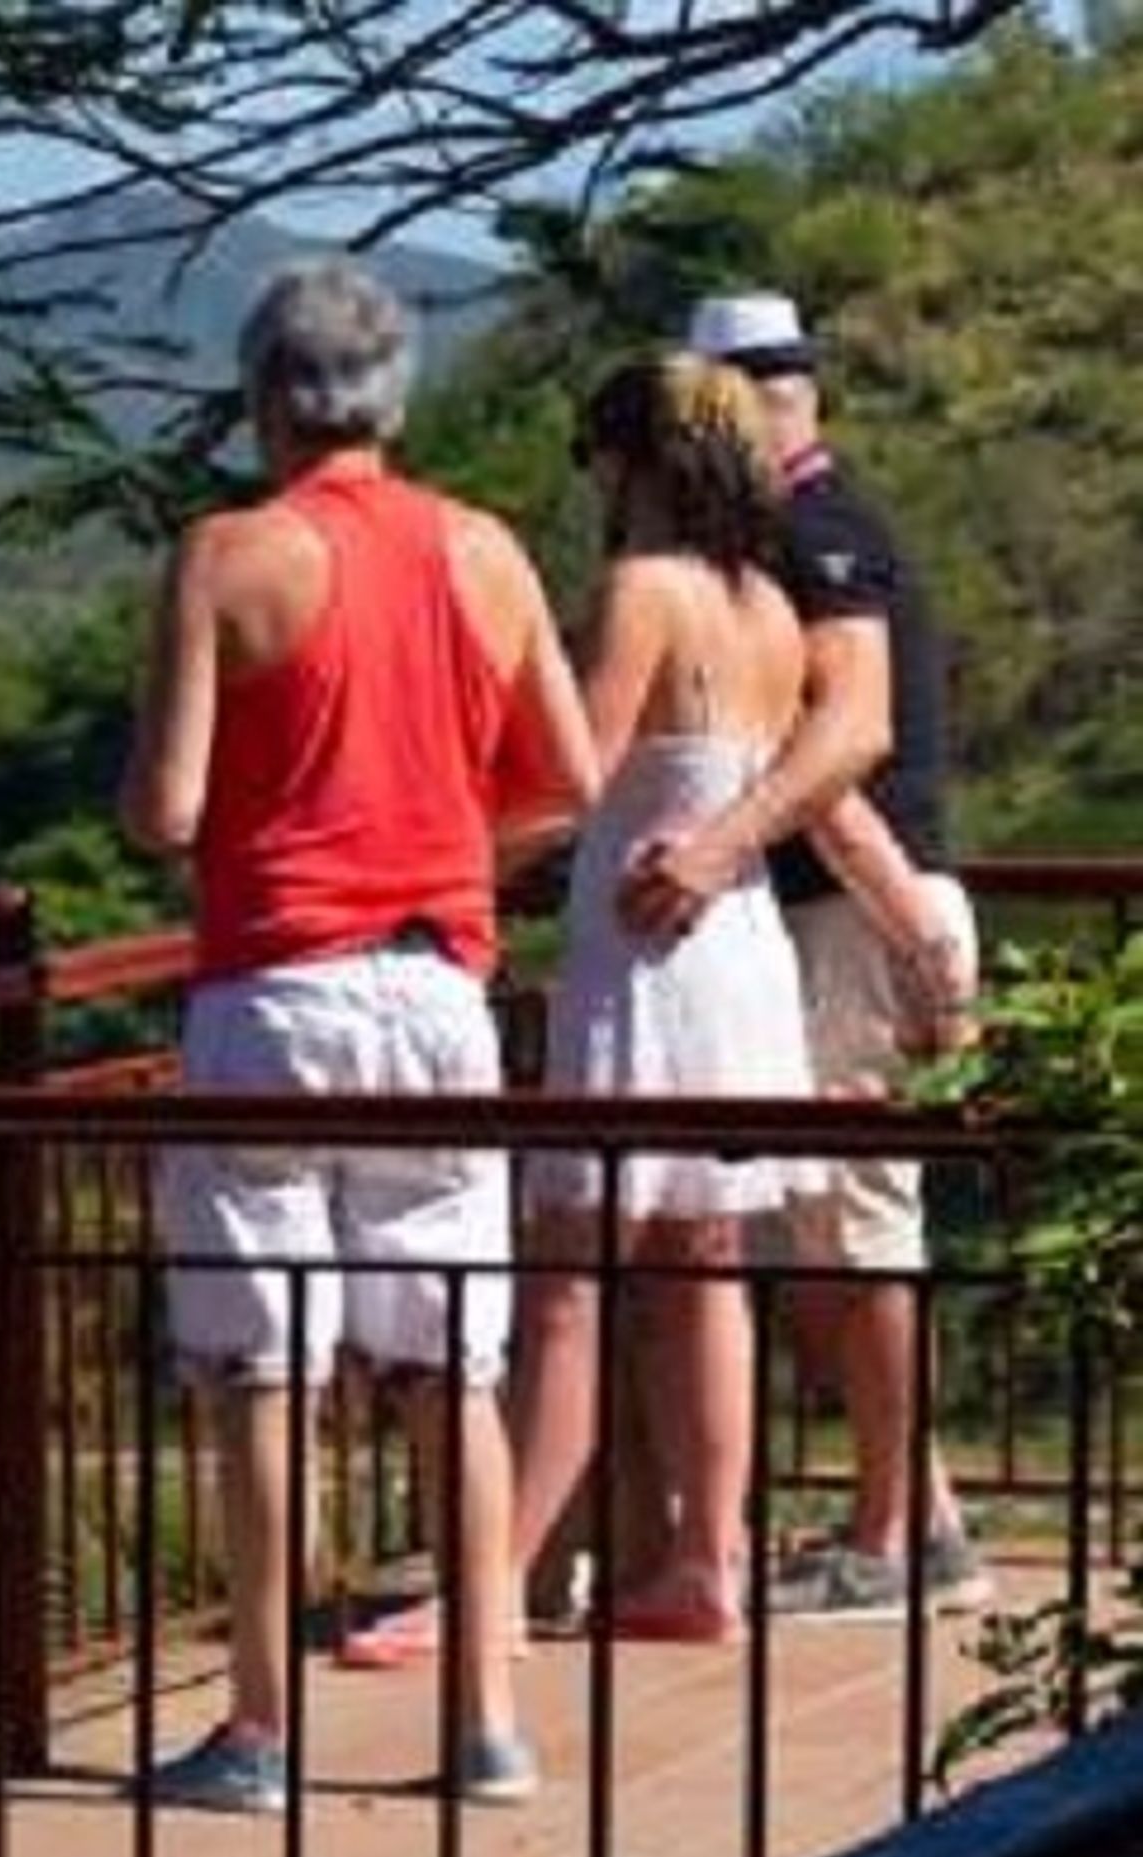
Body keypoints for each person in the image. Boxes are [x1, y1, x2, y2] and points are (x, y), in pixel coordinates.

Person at [118, 257, 600, 1814]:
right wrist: (450, 847)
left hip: (270, 991)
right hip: (437, 988)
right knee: (451, 1364)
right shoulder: (488, 553)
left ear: (266, 398)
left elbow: (166, 813)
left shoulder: (226, 557)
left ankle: (258, 1732)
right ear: (396, 397)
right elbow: (570, 784)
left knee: (263, 1370)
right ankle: (487, 1722)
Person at [622, 290, 990, 1621]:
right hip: (832, 912)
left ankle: (890, 1536)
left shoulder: (816, 536)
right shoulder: (813, 528)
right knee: (823, 1229)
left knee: (854, 1233)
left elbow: (843, 740)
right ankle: (924, 1518)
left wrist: (720, 845)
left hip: (844, 914)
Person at [500, 352, 816, 1645]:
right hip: (738, 952)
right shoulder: (770, 609)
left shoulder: (643, 592)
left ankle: (497, 1574)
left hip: (641, 961)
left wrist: (446, 860)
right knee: (705, 1266)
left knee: (570, 1277)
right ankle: (706, 1559)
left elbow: (574, 772)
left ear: (630, 462)